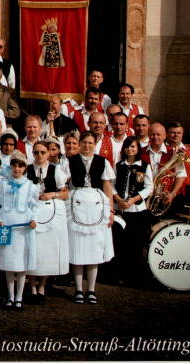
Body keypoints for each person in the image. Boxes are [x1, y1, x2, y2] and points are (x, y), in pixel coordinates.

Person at [67, 131, 115, 305]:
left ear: (95, 144)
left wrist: (110, 211)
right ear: (79, 143)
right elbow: (65, 184)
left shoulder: (103, 162)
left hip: (97, 205)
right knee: (78, 247)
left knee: (94, 248)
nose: (87, 146)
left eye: (90, 143)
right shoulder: (70, 161)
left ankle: (92, 289)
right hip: (76, 205)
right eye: (84, 142)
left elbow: (107, 186)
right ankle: (79, 289)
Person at [0, 151, 38, 310]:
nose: (17, 169)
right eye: (14, 165)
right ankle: (10, 297)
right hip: (7, 225)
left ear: (25, 167)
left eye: (20, 166)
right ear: (10, 166)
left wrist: (34, 219)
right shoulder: (3, 184)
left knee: (21, 263)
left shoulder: (31, 185)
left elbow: (34, 206)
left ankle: (19, 297)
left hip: (23, 227)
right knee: (9, 262)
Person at [25, 141, 69, 304]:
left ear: (48, 153)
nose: (39, 155)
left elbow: (65, 194)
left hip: (50, 212)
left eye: (42, 152)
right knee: (33, 248)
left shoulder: (56, 170)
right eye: (36, 152)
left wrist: (52, 194)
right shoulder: (28, 169)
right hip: (33, 212)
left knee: (46, 250)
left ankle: (42, 286)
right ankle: (32, 287)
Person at [110, 137, 152, 286]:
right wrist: (118, 199)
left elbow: (149, 187)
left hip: (137, 210)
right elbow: (112, 184)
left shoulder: (144, 166)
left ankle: (135, 276)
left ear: (138, 149)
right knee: (121, 244)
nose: (130, 150)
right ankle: (118, 275)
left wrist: (134, 200)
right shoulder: (118, 166)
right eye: (127, 147)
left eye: (133, 147)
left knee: (135, 243)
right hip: (121, 209)